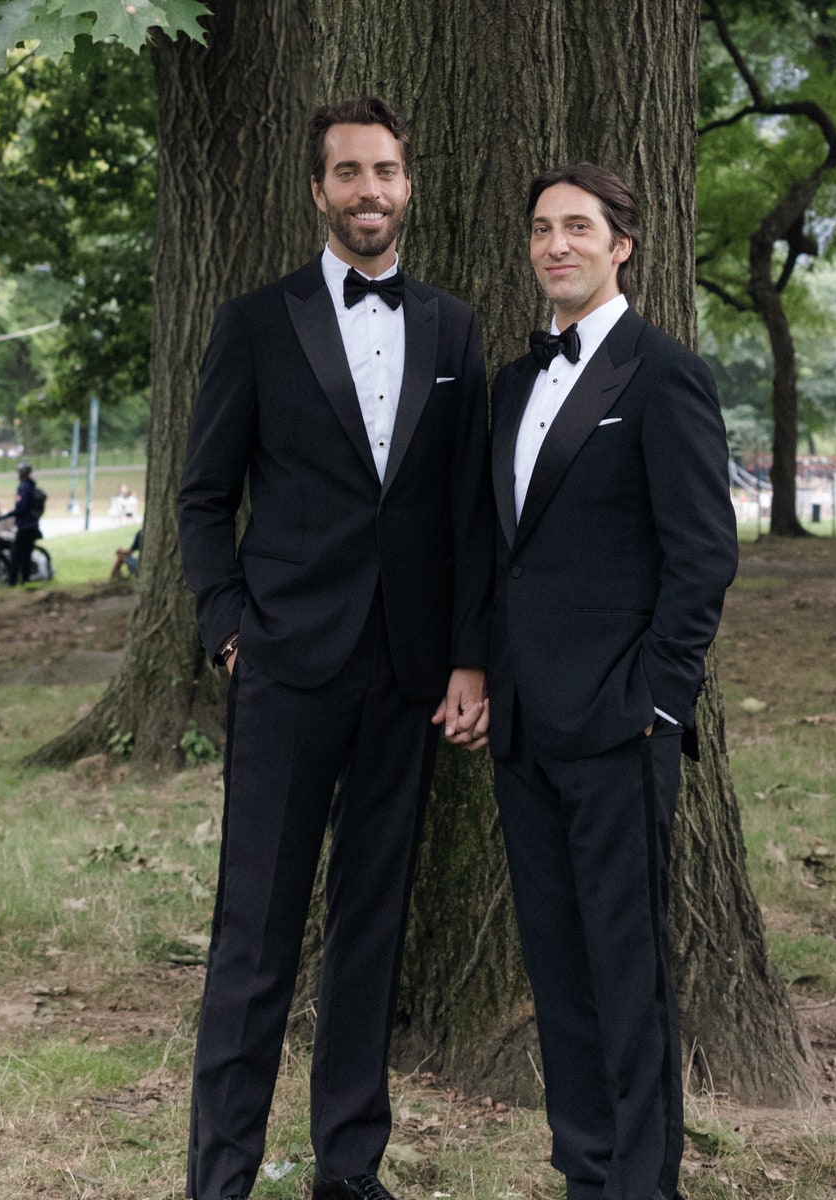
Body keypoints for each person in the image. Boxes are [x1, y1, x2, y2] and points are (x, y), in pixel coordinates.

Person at [176, 96, 493, 1200]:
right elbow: (204, 496)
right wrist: (227, 629)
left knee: (370, 933)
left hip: (405, 676)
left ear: (409, 187)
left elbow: (463, 510)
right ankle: (219, 1176)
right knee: (253, 939)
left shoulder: (455, 329)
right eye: (348, 173)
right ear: (319, 190)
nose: (369, 191)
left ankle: (347, 1174)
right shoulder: (254, 324)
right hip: (283, 667)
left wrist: (465, 656)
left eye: (387, 172)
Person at [486, 163, 738, 1200]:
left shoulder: (662, 373)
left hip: (620, 729)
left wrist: (659, 702)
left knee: (626, 973)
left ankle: (643, 1182)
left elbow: (702, 555)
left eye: (577, 227)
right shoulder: (510, 384)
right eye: (542, 228)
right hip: (522, 727)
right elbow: (498, 548)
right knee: (556, 967)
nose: (557, 245)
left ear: (621, 244)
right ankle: (583, 1170)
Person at [0, 462, 43, 585]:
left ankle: (13, 581)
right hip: (33, 525)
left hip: (24, 525)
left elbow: (21, 507)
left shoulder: (23, 487)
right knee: (27, 553)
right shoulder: (32, 485)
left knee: (16, 553)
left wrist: (9, 514)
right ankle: (25, 579)